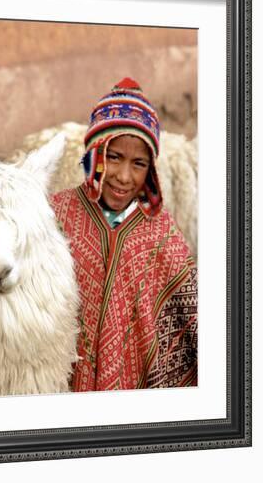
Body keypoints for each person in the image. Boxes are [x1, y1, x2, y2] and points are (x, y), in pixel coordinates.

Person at [51, 77, 198, 391]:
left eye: (139, 163)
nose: (123, 176)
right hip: (61, 386)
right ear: (94, 154)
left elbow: (191, 320)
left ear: (151, 170)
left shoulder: (162, 234)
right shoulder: (57, 215)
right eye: (114, 157)